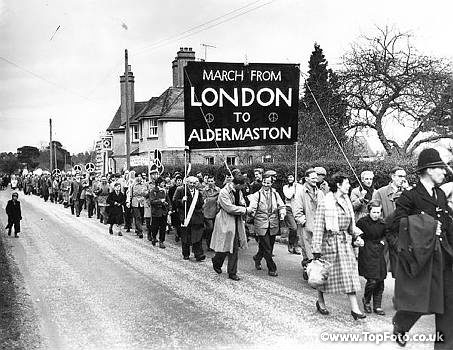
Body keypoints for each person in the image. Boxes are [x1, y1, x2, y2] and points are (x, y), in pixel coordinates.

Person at [391, 148, 453, 349]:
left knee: (448, 303)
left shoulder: (441, 195)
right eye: (440, 169)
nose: (445, 173)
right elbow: (396, 224)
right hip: (420, 258)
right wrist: (426, 226)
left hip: (444, 255)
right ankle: (401, 323)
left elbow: (448, 224)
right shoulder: (409, 196)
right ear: (428, 170)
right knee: (418, 300)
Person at [312, 172, 365, 320]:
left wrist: (357, 236)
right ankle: (321, 301)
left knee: (350, 275)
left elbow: (351, 224)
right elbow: (318, 226)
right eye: (346, 183)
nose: (349, 186)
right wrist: (316, 249)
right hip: (329, 243)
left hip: (345, 243)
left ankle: (355, 308)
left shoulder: (347, 201)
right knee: (324, 275)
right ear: (338, 185)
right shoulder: (325, 202)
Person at [211, 174, 248, 281]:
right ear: (237, 184)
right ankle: (217, 261)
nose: (243, 188)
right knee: (225, 245)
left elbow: (241, 202)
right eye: (242, 186)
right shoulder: (224, 192)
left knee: (234, 247)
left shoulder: (238, 191)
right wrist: (244, 210)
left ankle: (232, 272)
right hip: (225, 220)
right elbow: (229, 208)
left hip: (236, 221)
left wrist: (244, 206)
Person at [372, 166, 408, 277]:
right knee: (384, 268)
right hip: (386, 235)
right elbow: (375, 214)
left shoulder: (408, 193)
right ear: (393, 177)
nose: (403, 179)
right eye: (400, 176)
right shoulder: (380, 192)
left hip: (403, 235)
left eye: (404, 176)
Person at [248, 174, 286, 276]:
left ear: (271, 183)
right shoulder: (257, 195)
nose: (265, 184)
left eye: (268, 183)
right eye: (264, 182)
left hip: (273, 222)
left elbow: (281, 205)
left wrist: (282, 213)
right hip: (261, 222)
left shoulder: (275, 194)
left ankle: (257, 258)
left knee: (267, 246)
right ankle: (272, 268)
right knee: (267, 247)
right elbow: (253, 206)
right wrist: (251, 212)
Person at [356, 200, 386, 316]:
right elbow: (356, 234)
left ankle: (377, 305)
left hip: (378, 251)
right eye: (374, 212)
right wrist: (359, 240)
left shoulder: (383, 223)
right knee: (372, 280)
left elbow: (385, 235)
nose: (376, 215)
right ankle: (367, 300)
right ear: (369, 211)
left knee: (380, 279)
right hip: (367, 251)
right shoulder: (362, 222)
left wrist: (383, 242)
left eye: (378, 212)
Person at [293, 168, 324, 275]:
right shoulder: (300, 192)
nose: (315, 180)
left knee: (318, 250)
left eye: (316, 178)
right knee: (307, 249)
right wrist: (304, 222)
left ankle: (314, 270)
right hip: (306, 226)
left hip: (319, 226)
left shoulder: (320, 193)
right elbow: (297, 210)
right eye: (313, 178)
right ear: (306, 179)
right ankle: (308, 269)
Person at [173, 176, 206, 261]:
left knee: (197, 235)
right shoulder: (181, 190)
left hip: (196, 216)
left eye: (194, 183)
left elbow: (200, 203)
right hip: (185, 216)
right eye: (190, 183)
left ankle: (198, 254)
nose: (192, 184)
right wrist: (181, 201)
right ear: (187, 183)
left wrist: (200, 202)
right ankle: (186, 253)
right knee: (186, 236)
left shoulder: (198, 192)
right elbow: (174, 201)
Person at [282, 173, 302, 254]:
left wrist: (298, 187)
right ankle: (290, 244)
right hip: (288, 208)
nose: (290, 178)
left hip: (297, 208)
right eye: (288, 177)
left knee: (298, 229)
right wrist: (294, 187)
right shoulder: (285, 187)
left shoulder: (299, 186)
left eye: (291, 177)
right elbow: (289, 196)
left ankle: (296, 246)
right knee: (293, 228)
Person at [149, 177, 170, 248]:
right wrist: (160, 201)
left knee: (163, 227)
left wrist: (169, 208)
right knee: (155, 227)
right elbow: (151, 201)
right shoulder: (153, 191)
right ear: (158, 183)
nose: (163, 184)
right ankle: (154, 237)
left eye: (164, 183)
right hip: (156, 212)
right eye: (162, 182)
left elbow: (168, 200)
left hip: (163, 212)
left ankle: (161, 241)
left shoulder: (165, 191)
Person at [202, 175, 221, 251]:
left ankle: (215, 244)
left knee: (216, 229)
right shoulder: (204, 190)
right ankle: (209, 244)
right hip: (207, 212)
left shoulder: (218, 190)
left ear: (214, 181)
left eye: (212, 181)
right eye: (209, 181)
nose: (210, 183)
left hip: (216, 211)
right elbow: (202, 200)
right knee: (210, 228)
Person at [127, 173, 148, 239]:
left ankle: (137, 228)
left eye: (140, 176)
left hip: (142, 202)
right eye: (138, 176)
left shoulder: (144, 185)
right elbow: (129, 194)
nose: (139, 178)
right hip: (135, 202)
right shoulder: (132, 185)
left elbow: (146, 193)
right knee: (137, 216)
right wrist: (128, 202)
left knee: (141, 217)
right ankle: (140, 231)